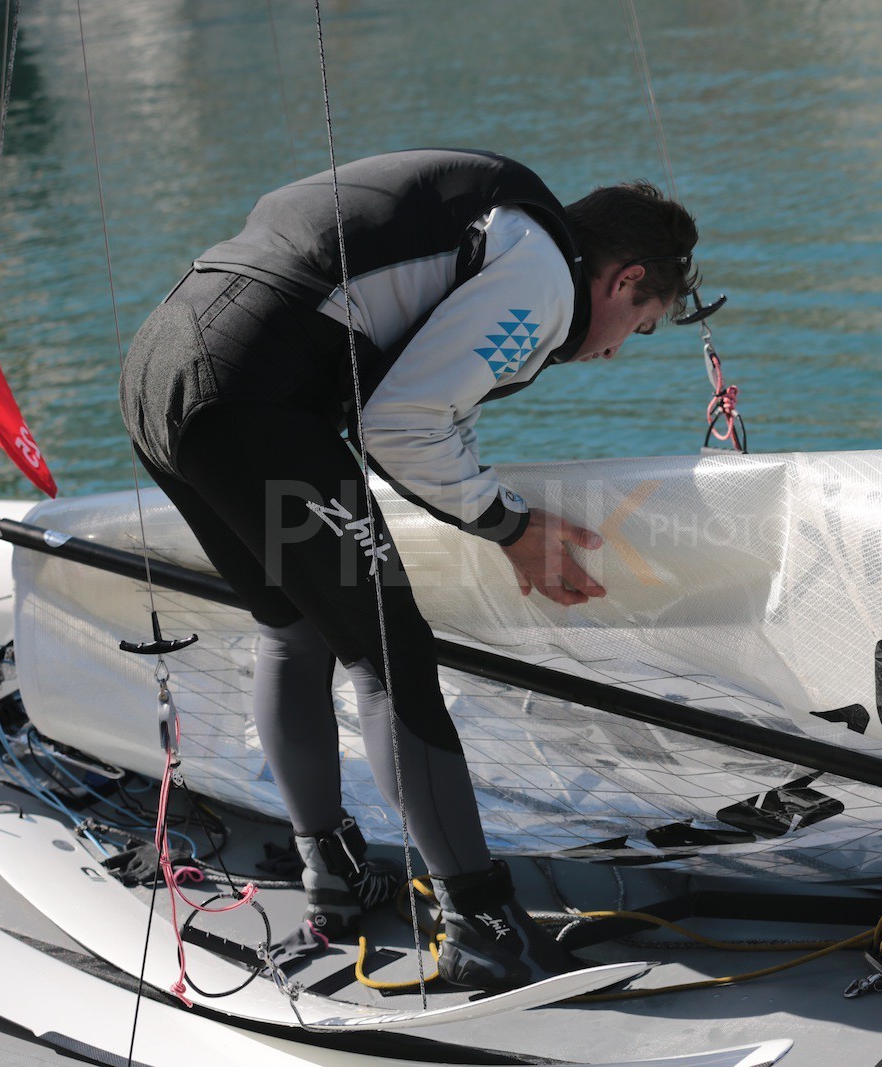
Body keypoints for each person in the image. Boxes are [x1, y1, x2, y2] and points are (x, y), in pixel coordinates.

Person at [119, 149, 699, 991]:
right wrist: (510, 526)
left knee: (295, 628)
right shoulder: (543, 275)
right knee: (391, 658)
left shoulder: (498, 223)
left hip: (160, 367)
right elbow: (400, 424)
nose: (613, 352)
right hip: (246, 395)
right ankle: (483, 926)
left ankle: (335, 875)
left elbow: (412, 388)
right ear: (625, 278)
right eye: (638, 327)